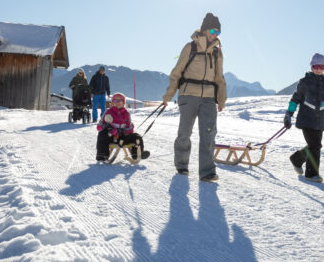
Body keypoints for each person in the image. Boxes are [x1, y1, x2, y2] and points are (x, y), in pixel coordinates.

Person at [163, 13, 227, 183]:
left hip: (208, 98)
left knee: (209, 134)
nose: (215, 34)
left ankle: (207, 171)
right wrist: (169, 95)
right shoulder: (190, 47)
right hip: (188, 95)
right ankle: (182, 165)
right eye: (213, 30)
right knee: (185, 132)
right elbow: (176, 73)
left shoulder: (217, 53)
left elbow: (219, 78)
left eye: (218, 32)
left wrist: (221, 99)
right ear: (205, 29)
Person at [283, 53, 324, 183]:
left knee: (314, 146)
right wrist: (289, 114)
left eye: (322, 66)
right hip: (306, 119)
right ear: (311, 66)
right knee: (315, 146)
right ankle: (311, 174)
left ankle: (296, 159)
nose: (319, 69)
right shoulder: (304, 82)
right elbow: (295, 99)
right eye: (316, 66)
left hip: (319, 121)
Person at [96, 93, 150, 161]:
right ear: (112, 102)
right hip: (111, 138)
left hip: (123, 138)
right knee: (102, 134)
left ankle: (137, 154)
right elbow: (99, 127)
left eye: (120, 101)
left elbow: (129, 127)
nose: (118, 102)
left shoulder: (126, 113)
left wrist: (127, 130)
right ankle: (102, 154)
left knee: (137, 136)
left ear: (123, 102)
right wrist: (109, 128)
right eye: (115, 101)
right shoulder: (108, 112)